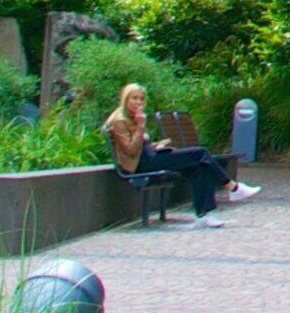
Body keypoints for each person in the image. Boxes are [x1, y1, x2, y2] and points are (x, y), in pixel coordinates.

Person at [102, 82, 253, 226]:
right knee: (201, 153)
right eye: (134, 98)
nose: (139, 102)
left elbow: (140, 144)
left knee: (199, 168)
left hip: (149, 156)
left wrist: (157, 145)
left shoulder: (132, 116)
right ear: (125, 98)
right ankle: (232, 187)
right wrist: (141, 126)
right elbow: (131, 150)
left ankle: (204, 215)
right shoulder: (120, 120)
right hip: (141, 163)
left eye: (141, 99)